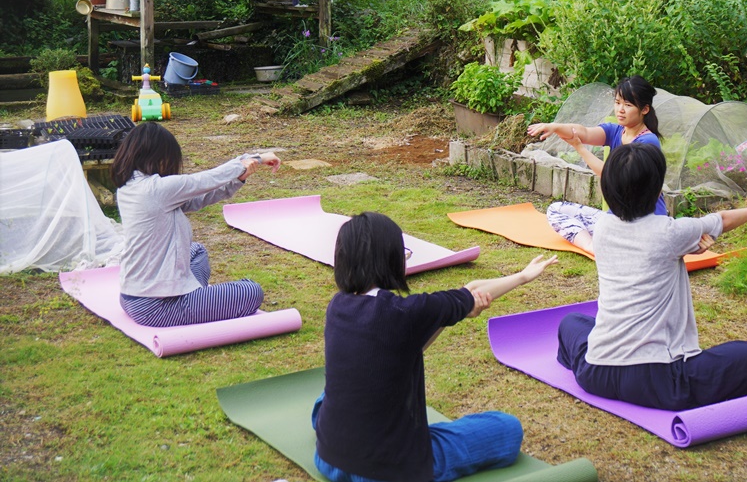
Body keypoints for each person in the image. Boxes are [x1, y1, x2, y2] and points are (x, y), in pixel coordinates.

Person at [313, 212, 558, 482]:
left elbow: (411, 344)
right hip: (388, 471)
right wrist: (522, 277)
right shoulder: (410, 312)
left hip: (328, 458)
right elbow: (472, 292)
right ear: (391, 259)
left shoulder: (337, 306)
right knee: (506, 429)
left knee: (328, 398)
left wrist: (450, 314)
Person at [556, 142, 747, 411]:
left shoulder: (602, 227)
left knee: (571, 322)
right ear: (657, 189)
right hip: (658, 380)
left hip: (595, 372)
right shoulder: (671, 232)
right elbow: (720, 220)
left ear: (608, 188)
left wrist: (688, 248)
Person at [110, 122, 281, 327]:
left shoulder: (130, 187)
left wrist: (239, 178)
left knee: (197, 251)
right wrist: (255, 158)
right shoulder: (156, 189)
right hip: (156, 307)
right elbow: (204, 180)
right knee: (251, 291)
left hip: (131, 297)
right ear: (156, 156)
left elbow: (199, 199)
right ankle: (197, 302)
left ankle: (198, 300)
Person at [526, 75, 666, 252]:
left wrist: (580, 149)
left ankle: (610, 244)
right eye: (617, 103)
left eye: (628, 105)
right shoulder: (616, 131)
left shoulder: (647, 142)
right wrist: (554, 127)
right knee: (556, 210)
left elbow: (614, 176)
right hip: (617, 219)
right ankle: (592, 247)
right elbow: (582, 132)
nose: (620, 110)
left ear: (644, 109)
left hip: (646, 223)